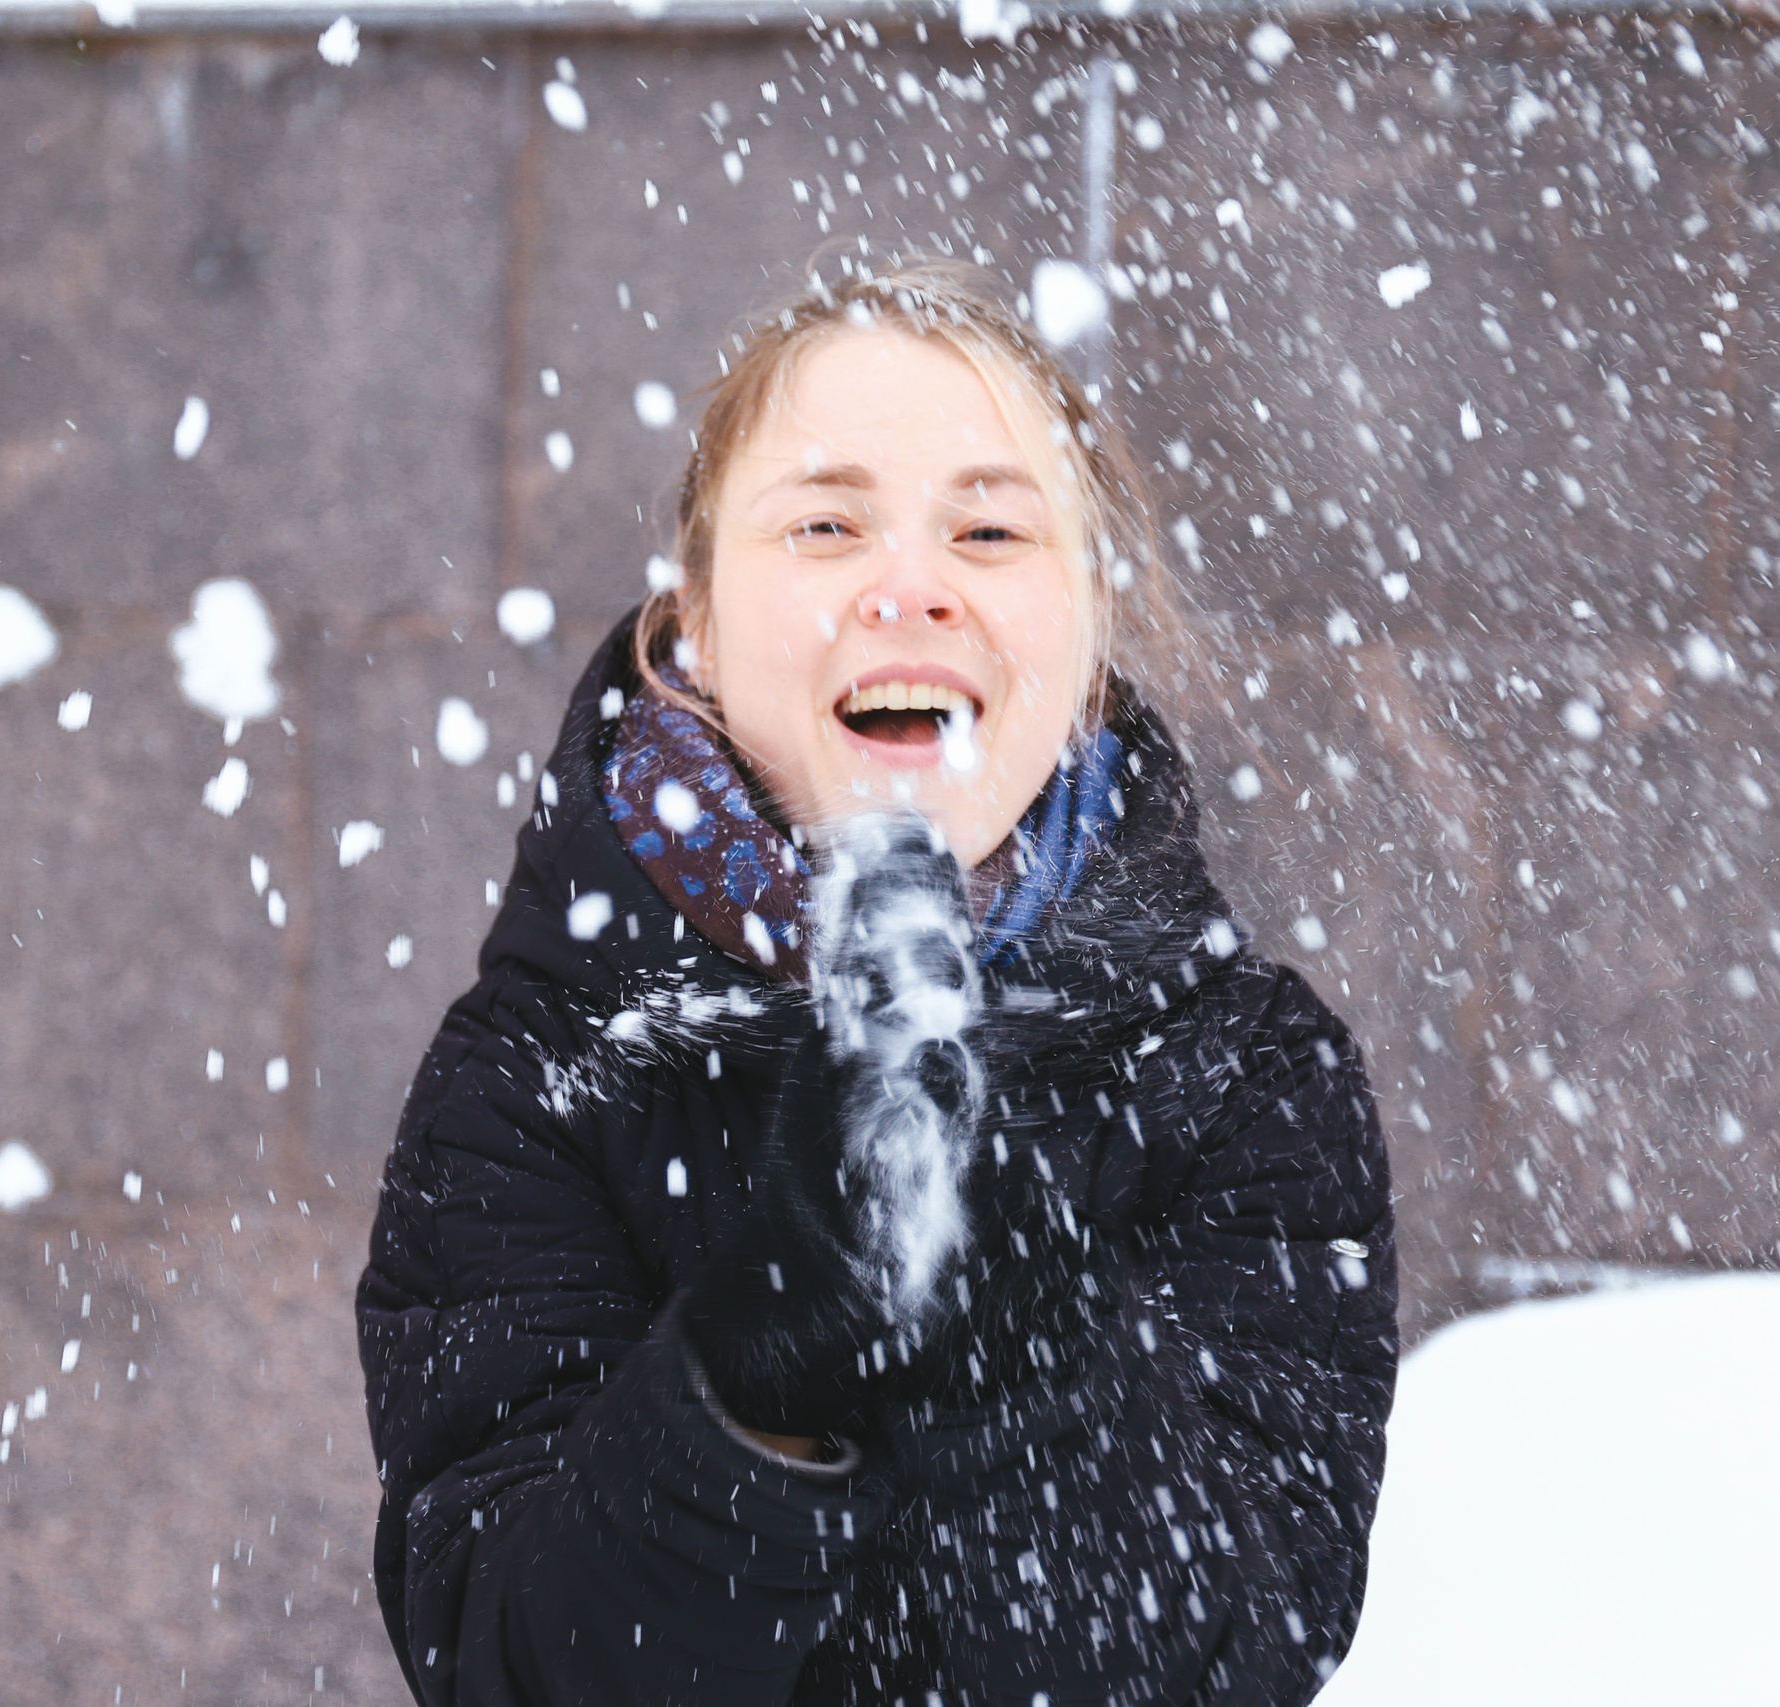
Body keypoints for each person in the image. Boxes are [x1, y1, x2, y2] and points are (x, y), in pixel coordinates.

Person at [356, 257, 1396, 1707]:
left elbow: (1232, 1656)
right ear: (699, 626)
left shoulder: (1250, 1078)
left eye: (989, 529)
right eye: (828, 524)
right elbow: (514, 1668)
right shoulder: (535, 1076)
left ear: (1089, 638)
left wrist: (1001, 1299)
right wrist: (749, 1377)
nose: (911, 590)